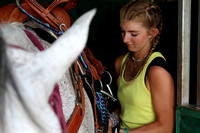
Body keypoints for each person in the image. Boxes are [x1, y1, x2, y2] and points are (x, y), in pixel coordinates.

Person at [108, 0, 175, 132]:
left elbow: (166, 126)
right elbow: (127, 107)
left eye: (133, 34)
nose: (125, 39)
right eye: (123, 31)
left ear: (152, 33)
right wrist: (110, 120)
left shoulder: (157, 71)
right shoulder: (121, 63)